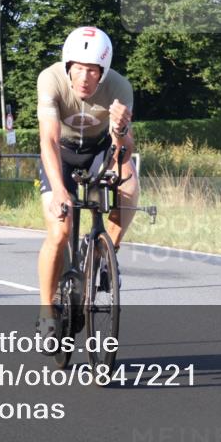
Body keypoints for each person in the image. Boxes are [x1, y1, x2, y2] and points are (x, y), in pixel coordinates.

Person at [35, 26, 138, 344]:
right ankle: (47, 313)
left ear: (103, 72)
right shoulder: (49, 79)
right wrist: (59, 189)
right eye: (78, 68)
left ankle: (106, 255)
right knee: (60, 230)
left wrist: (120, 129)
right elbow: (48, 140)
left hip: (98, 153)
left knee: (130, 187)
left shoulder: (120, 86)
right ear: (68, 65)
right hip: (61, 156)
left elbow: (125, 150)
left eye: (92, 70)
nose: (84, 77)